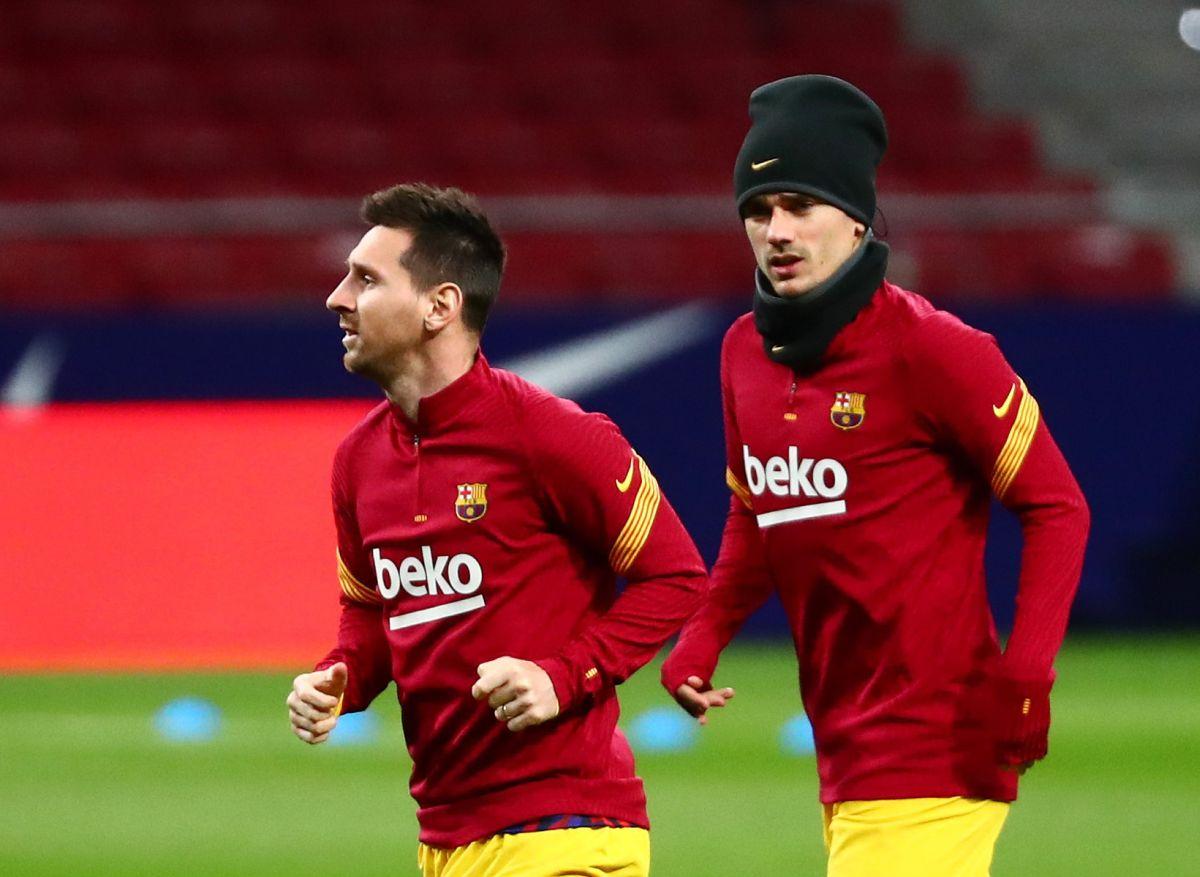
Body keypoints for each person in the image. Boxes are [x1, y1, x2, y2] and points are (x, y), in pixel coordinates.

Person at [661, 75, 1090, 877]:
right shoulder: (742, 353)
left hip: (936, 744)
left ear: (856, 218)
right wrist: (707, 632)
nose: (776, 230)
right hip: (844, 746)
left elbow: (1057, 506)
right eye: (758, 210)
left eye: (800, 205)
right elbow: (757, 509)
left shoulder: (936, 348)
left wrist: (1028, 673)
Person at [286, 183, 706, 876]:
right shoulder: (358, 461)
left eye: (365, 278)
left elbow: (677, 574)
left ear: (439, 306)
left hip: (568, 829)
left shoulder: (550, 436)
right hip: (447, 838)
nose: (338, 297)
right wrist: (341, 676)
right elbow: (369, 607)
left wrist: (562, 676)